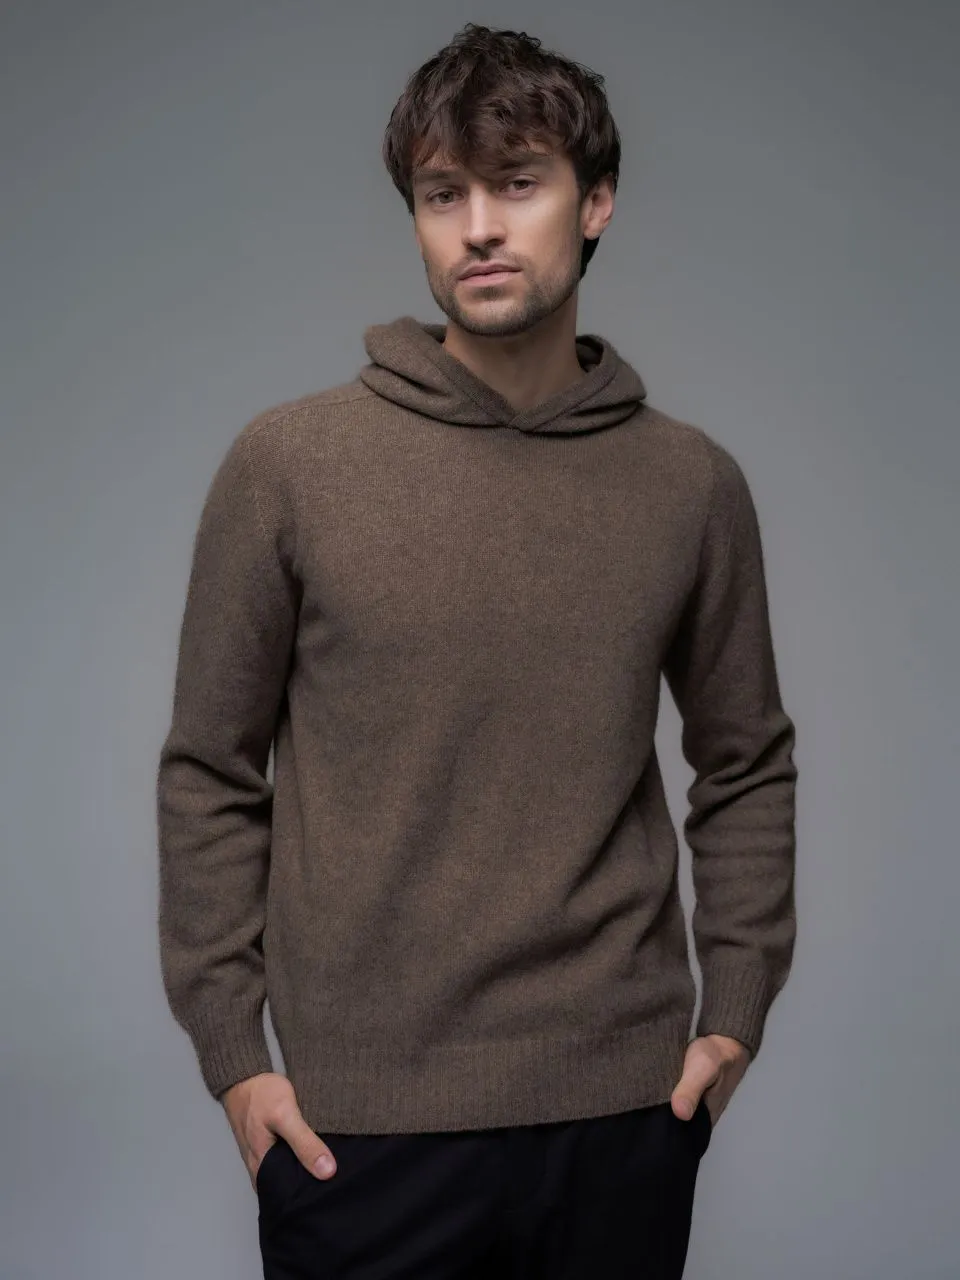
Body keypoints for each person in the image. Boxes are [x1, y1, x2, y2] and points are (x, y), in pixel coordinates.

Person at [156, 21, 797, 1279]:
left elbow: (747, 760)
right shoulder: (290, 465)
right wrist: (234, 1056)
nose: (480, 228)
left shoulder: (690, 484)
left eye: (518, 182)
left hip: (620, 1114)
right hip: (359, 1132)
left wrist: (733, 1015)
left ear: (596, 202)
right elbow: (209, 773)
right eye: (443, 194)